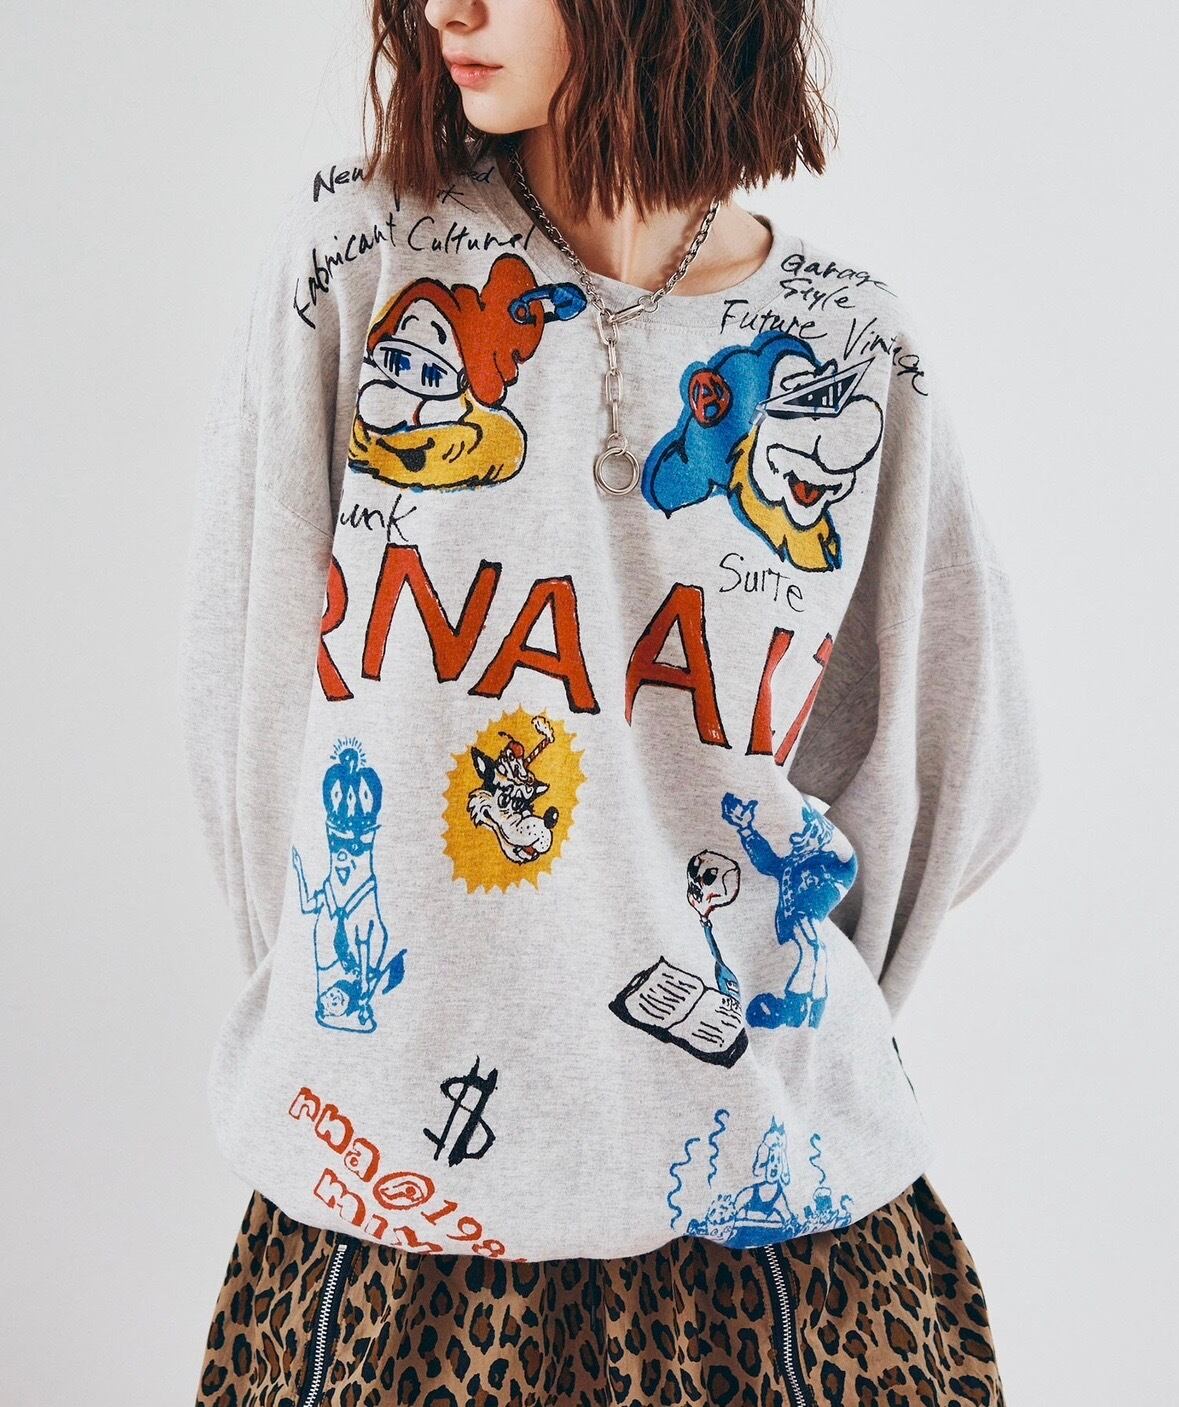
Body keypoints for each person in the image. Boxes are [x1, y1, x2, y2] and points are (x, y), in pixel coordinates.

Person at [181, 1, 1040, 1403]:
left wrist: (765, 1030)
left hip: (782, 1251)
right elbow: (252, 715)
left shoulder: (850, 350)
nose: (446, 7)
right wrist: (365, 1029)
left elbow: (955, 766)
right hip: (389, 1230)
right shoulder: (364, 259)